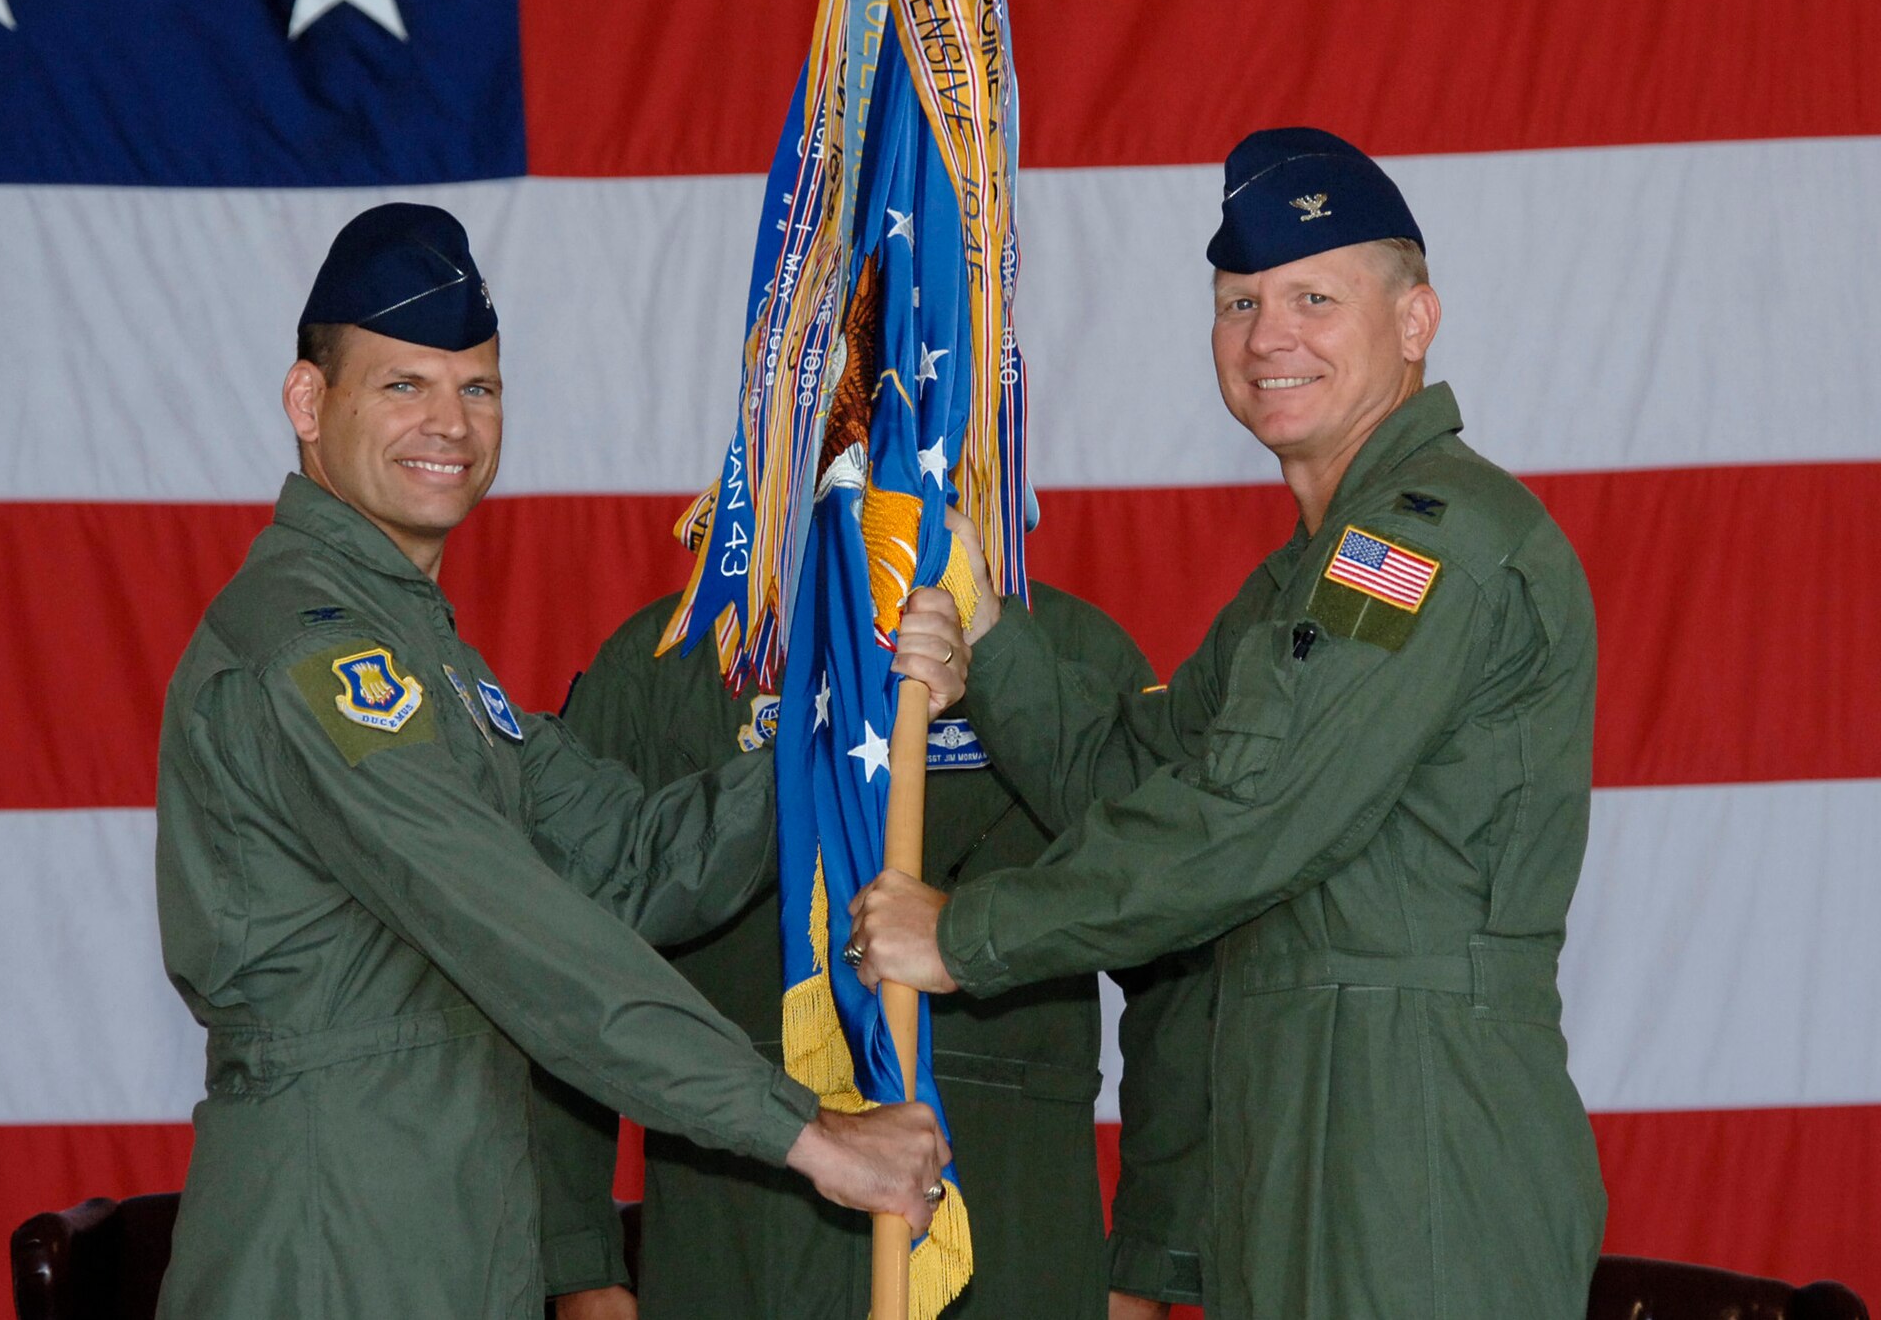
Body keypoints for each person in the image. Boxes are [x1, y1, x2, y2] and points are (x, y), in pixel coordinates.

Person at [848, 128, 1609, 1319]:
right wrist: (992, 638)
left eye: (1314, 296)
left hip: (1415, 1125)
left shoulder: (1419, 541)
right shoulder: (1301, 577)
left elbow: (1248, 819)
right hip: (1291, 1121)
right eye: (1237, 300)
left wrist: (968, 935)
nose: (1268, 336)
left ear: (1414, 322)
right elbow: (1132, 783)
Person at [152, 203, 962, 1320]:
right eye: (403, 385)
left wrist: (845, 709)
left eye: (476, 387)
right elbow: (523, 933)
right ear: (306, 402)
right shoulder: (316, 654)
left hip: (449, 1215)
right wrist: (805, 1134)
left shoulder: (422, 655)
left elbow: (632, 861)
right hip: (333, 1233)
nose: (450, 422)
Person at [537, 585, 1212, 1319]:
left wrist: (1149, 1262)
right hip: (738, 1233)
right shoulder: (672, 657)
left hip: (1016, 1233)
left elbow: (1176, 951)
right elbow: (564, 956)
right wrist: (580, 1266)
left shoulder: (1070, 649)